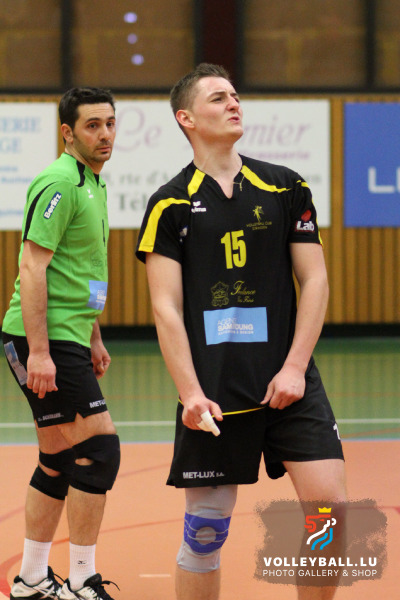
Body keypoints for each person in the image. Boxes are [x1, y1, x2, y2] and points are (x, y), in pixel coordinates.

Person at [136, 63, 346, 600]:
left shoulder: (285, 186)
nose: (233, 103)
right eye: (217, 98)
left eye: (234, 95)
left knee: (331, 519)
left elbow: (315, 279)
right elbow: (165, 307)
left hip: (288, 384)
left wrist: (295, 367)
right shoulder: (169, 203)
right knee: (204, 537)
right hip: (214, 394)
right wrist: (190, 394)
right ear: (186, 118)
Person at [2, 87, 120, 600]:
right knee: (99, 450)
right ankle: (81, 580)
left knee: (58, 459)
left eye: (110, 123)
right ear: (68, 133)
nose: (105, 134)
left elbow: (82, 268)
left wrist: (93, 333)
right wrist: (40, 351)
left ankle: (31, 579)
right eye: (93, 125)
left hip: (69, 334)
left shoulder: (94, 182)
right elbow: (33, 266)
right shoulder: (59, 182)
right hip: (42, 338)